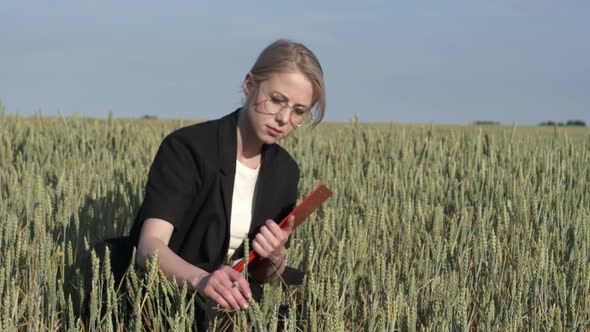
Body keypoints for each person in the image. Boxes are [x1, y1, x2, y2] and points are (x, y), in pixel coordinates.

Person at [126, 38, 326, 327]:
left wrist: (275, 255)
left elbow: (263, 275)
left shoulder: (286, 171)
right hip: (173, 304)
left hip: (240, 307)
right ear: (249, 85)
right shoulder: (187, 148)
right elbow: (149, 248)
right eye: (277, 99)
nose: (284, 118)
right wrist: (203, 280)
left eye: (298, 111)